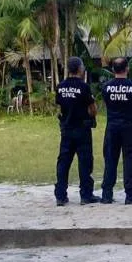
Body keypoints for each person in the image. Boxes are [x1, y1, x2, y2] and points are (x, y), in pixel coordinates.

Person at [100, 57, 132, 205]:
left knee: (110, 160)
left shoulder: (106, 87)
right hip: (129, 127)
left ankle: (106, 194)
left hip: (112, 127)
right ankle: (130, 194)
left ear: (113, 70)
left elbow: (106, 102)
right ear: (127, 68)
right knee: (129, 160)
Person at [54, 57, 99, 206]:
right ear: (80, 69)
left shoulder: (60, 86)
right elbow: (93, 109)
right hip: (82, 129)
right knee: (85, 162)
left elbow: (59, 107)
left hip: (66, 129)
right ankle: (86, 195)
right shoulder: (84, 87)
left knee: (64, 162)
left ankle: (60, 195)